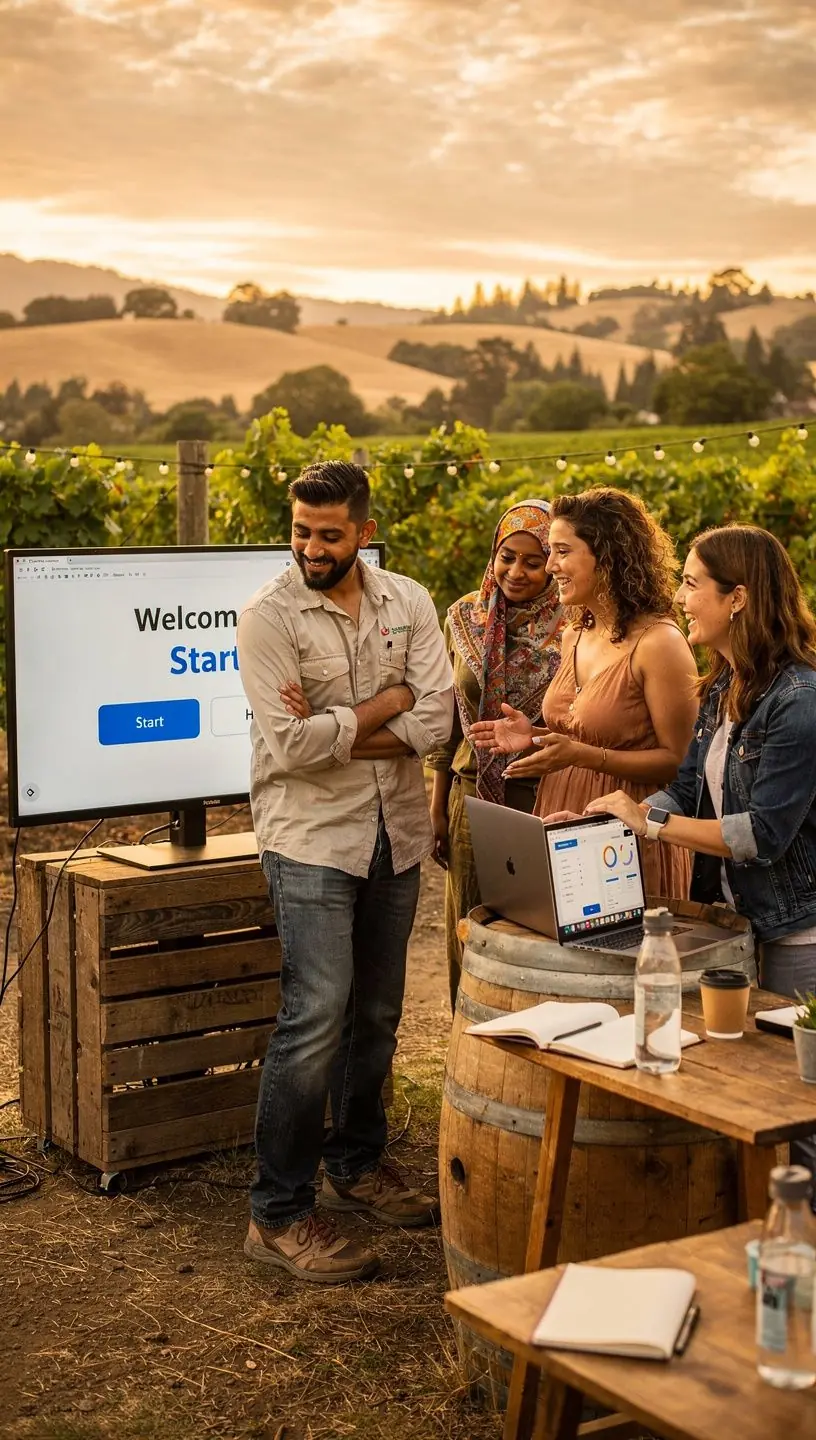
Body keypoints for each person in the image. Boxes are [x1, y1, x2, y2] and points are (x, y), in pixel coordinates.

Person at [236, 460, 454, 1284]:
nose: (311, 547)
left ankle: (357, 1165)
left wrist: (346, 724)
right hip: (311, 841)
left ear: (364, 530)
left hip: (392, 832)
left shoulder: (410, 600)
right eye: (300, 531)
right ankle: (278, 1213)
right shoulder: (268, 616)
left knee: (379, 1014)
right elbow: (287, 751)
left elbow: (439, 717)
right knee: (315, 1016)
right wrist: (385, 703)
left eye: (329, 534)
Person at [582, 523, 816, 1184]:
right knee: (759, 1095)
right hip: (742, 926)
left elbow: (761, 834)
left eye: (692, 583)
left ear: (737, 597)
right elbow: (686, 786)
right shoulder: (725, 686)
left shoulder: (799, 702)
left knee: (805, 1106)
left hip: (800, 932)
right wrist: (622, 816)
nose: (681, 596)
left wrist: (653, 831)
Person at [471, 487, 699, 900]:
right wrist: (534, 735)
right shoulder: (575, 632)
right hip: (561, 814)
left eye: (561, 551)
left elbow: (681, 763)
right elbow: (580, 733)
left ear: (606, 557)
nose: (552, 565)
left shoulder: (659, 644)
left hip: (629, 828)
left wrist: (583, 756)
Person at [426, 501, 563, 1007]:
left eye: (535, 560)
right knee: (470, 928)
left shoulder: (574, 626)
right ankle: (470, 1038)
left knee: (534, 932)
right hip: (471, 798)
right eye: (508, 557)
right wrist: (437, 807)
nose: (517, 572)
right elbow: (445, 722)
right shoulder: (464, 617)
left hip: (543, 795)